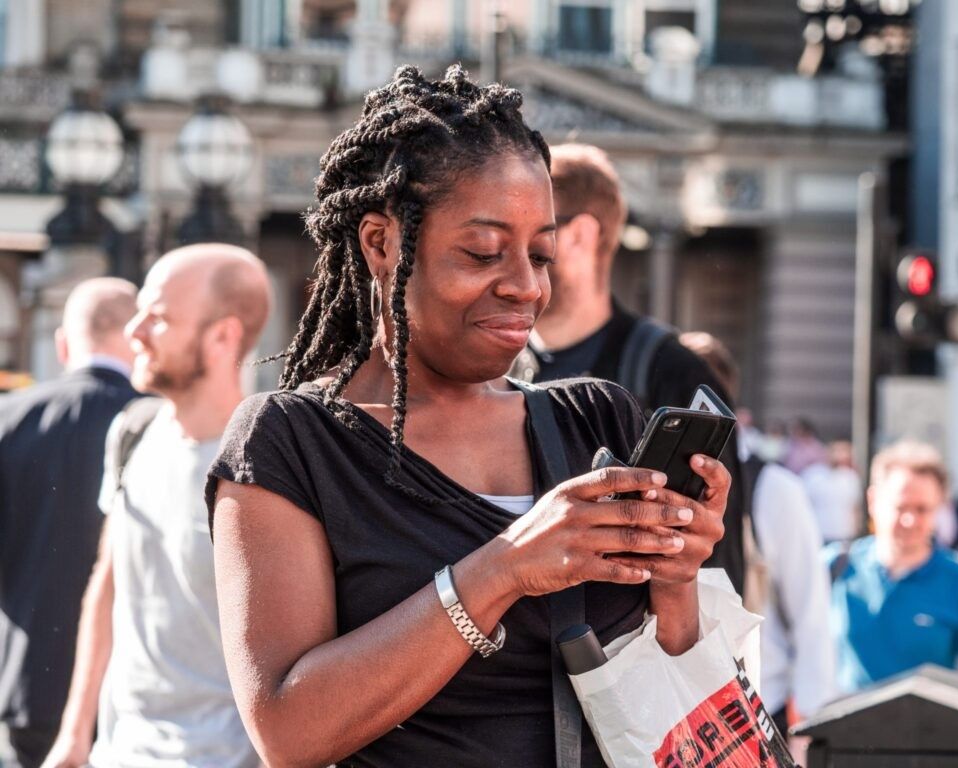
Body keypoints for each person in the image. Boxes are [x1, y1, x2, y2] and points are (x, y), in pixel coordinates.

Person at [206, 66, 731, 767]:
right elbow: (287, 731)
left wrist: (676, 577)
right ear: (381, 243)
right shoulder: (291, 442)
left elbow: (672, 699)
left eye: (540, 255)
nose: (525, 286)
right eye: (483, 252)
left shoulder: (596, 420)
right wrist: (503, 568)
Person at [42, 244, 271, 768]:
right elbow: (107, 584)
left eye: (159, 317)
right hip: (118, 753)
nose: (133, 331)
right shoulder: (132, 431)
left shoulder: (269, 466)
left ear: (223, 336)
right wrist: (74, 737)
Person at [516, 143, 746, 595]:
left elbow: (718, 572)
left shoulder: (674, 373)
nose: (508, 253)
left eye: (531, 233)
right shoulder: (499, 370)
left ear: (579, 237)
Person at [0, 279, 139, 768]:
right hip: (133, 686)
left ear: (63, 344)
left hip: (29, 677)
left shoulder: (8, 417)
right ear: (137, 336)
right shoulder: (162, 424)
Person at [679, 331, 834, 733]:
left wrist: (810, 729)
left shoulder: (774, 488)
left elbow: (811, 614)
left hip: (758, 710)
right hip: (672, 712)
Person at [826, 441, 958, 694]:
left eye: (922, 509)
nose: (910, 520)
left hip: (928, 718)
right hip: (845, 715)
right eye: (900, 507)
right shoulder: (836, 566)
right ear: (873, 501)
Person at [802, 441, 862, 547]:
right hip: (819, 534)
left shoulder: (850, 477)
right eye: (837, 451)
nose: (840, 455)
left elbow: (855, 507)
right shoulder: (812, 475)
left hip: (844, 535)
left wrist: (856, 531)